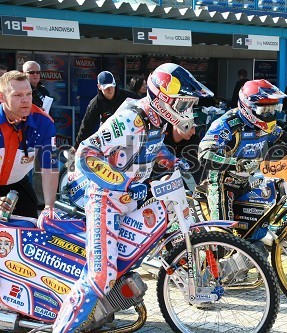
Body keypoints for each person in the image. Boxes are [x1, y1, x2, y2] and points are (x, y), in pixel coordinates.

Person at [52, 63, 213, 333]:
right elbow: (86, 153)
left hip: (129, 200)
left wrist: (173, 162)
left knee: (132, 256)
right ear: (164, 98)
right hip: (104, 199)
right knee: (100, 277)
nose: (186, 111)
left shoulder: (156, 119)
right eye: (182, 104)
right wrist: (125, 183)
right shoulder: (129, 118)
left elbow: (150, 147)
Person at [198, 79, 287, 223]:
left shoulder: (267, 125)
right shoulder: (227, 124)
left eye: (272, 109)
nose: (268, 115)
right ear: (248, 107)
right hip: (222, 184)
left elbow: (282, 136)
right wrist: (237, 163)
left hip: (246, 182)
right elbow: (204, 155)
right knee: (223, 232)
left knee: (263, 219)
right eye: (264, 110)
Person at [0, 71, 58, 218]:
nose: (25, 100)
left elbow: (49, 167)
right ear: (2, 97)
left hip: (17, 184)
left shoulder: (44, 123)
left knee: (32, 227)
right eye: (17, 95)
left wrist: (48, 206)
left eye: (28, 94)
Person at [74, 70, 137, 149]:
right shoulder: (95, 103)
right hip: (109, 138)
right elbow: (86, 126)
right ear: (99, 87)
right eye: (106, 88)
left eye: (111, 86)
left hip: (129, 134)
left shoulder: (128, 96)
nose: (110, 90)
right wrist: (76, 147)